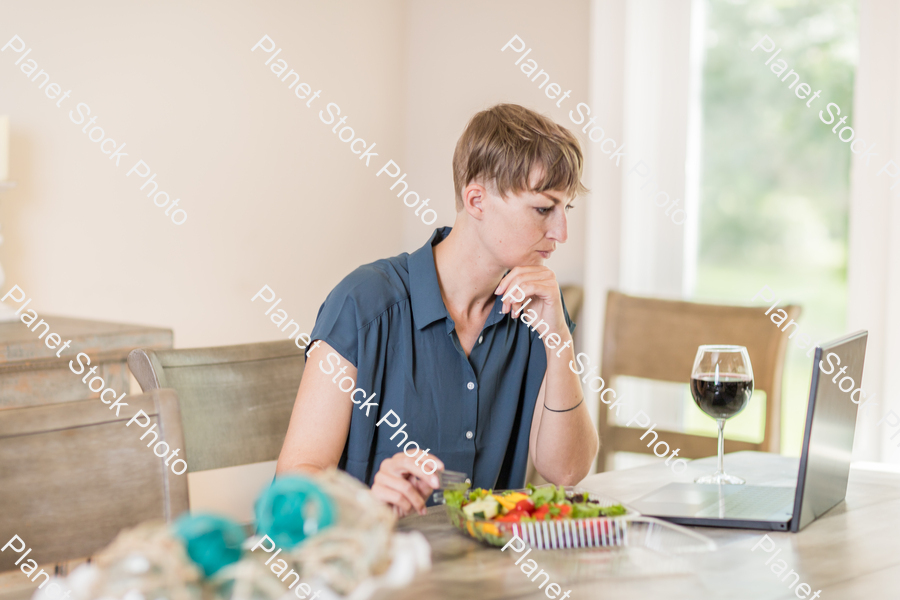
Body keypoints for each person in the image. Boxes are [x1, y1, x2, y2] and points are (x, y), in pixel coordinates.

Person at [276, 103, 599, 517]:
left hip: (482, 574)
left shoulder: (537, 310)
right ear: (477, 200)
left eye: (565, 209)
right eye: (543, 208)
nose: (561, 233)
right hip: (369, 566)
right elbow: (291, 487)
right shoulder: (365, 303)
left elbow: (567, 471)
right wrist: (365, 503)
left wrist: (560, 343)